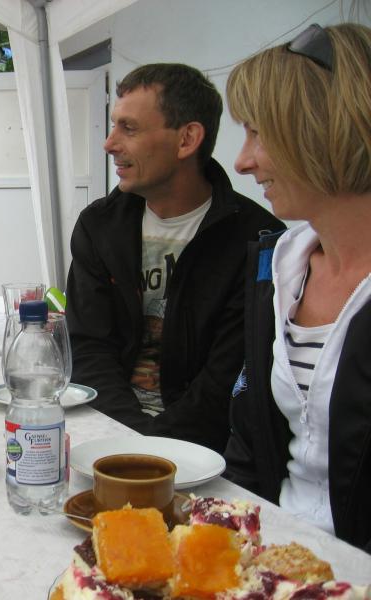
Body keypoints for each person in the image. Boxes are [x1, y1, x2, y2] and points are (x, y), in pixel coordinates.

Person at [65, 63, 283, 453]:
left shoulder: (257, 239)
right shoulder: (98, 226)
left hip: (205, 451)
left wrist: (153, 451)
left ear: (187, 139)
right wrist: (131, 441)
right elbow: (89, 348)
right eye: (113, 126)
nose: (109, 143)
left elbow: (227, 378)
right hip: (107, 430)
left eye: (129, 128)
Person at [224, 23, 371, 553]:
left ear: (322, 128)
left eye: (258, 133)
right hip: (276, 561)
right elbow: (251, 442)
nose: (242, 161)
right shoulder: (278, 266)